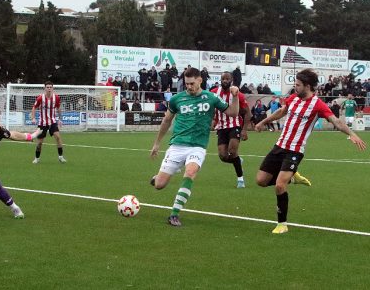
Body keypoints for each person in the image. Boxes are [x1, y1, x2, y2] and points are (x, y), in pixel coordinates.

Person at [254, 69, 366, 234]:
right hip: (279, 146)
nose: (295, 87)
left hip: (295, 150)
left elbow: (335, 121)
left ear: (307, 86)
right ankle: (293, 178)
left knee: (279, 185)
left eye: (298, 85)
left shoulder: (317, 104)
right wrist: (263, 121)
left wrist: (352, 134)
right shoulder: (293, 98)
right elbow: (281, 111)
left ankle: (282, 224)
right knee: (261, 181)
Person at [150, 67, 239, 227]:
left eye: (192, 83)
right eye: (187, 84)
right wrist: (157, 143)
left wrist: (235, 96)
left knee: (190, 173)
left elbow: (233, 113)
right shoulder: (177, 99)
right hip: (177, 146)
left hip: (197, 147)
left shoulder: (211, 97)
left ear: (200, 80)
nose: (189, 87)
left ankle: (174, 215)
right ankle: (158, 177)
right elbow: (166, 121)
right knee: (159, 185)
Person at [211, 72, 250, 188]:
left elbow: (248, 113)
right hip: (221, 127)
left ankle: (240, 180)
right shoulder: (214, 93)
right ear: (220, 80)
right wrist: (212, 119)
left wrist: (244, 130)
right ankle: (238, 161)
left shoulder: (238, 95)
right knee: (223, 156)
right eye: (223, 79)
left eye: (227, 79)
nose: (225, 81)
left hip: (235, 125)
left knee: (232, 152)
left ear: (231, 80)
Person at [31, 81, 66, 164]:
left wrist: (60, 119)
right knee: (39, 143)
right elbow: (34, 107)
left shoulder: (56, 98)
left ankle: (61, 157)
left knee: (58, 137)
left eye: (51, 87)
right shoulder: (40, 98)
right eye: (48, 87)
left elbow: (58, 108)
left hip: (52, 122)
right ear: (45, 88)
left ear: (53, 88)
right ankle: (37, 158)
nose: (49, 89)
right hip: (42, 123)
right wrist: (33, 118)